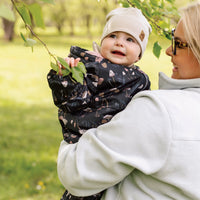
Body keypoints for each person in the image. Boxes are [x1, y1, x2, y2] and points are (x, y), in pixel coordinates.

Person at [56, 1, 200, 200]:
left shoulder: (158, 111)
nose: (168, 51)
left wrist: (72, 136)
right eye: (112, 36)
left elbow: (76, 172)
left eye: (179, 43)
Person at [47, 7, 151, 200]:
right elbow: (73, 103)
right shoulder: (86, 67)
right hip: (85, 144)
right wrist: (66, 79)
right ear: (101, 42)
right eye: (113, 35)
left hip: (117, 149)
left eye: (130, 39)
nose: (119, 42)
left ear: (138, 55)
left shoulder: (140, 81)